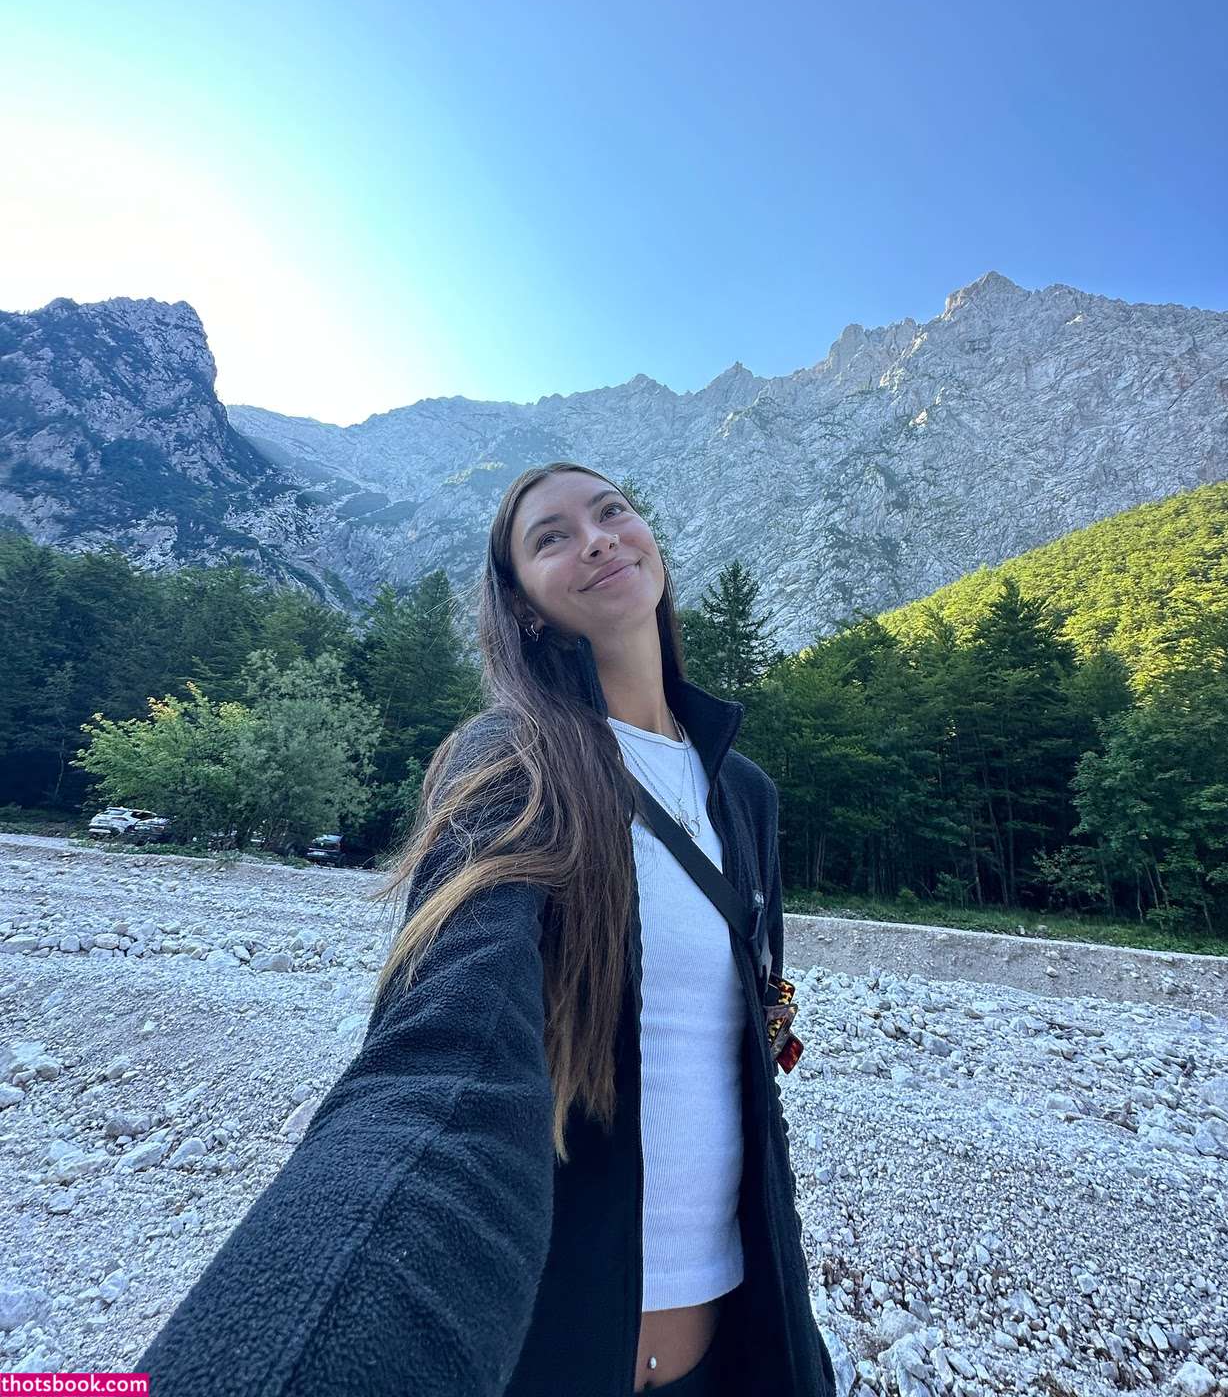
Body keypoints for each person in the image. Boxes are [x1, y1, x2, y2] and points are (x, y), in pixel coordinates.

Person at [140, 460, 833, 1397]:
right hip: (566, 1350)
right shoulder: (514, 762)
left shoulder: (745, 793)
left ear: (651, 542)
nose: (597, 538)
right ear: (525, 607)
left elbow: (748, 1048)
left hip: (738, 1342)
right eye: (551, 538)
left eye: (612, 512)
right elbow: (444, 1054)